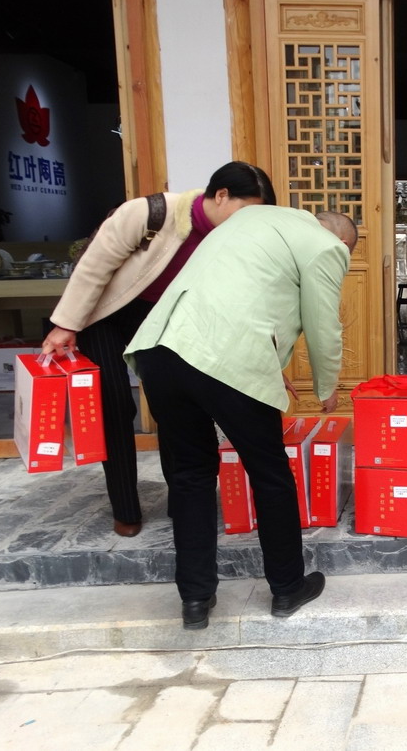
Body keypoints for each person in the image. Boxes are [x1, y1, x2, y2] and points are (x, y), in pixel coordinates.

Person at [124, 206, 356, 630]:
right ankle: (287, 587)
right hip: (222, 359)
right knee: (270, 475)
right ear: (342, 242)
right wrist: (327, 387)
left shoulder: (251, 220)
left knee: (191, 476)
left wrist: (268, 365)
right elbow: (323, 323)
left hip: (160, 352)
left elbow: (236, 299)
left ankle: (195, 599)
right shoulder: (327, 246)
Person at [42, 162, 277, 537]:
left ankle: (182, 500)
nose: (248, 223)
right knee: (115, 404)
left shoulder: (233, 238)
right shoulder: (149, 213)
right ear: (221, 195)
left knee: (173, 404)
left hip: (161, 317)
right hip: (105, 311)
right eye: (246, 211)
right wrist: (66, 324)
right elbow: (93, 266)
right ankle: (126, 508)